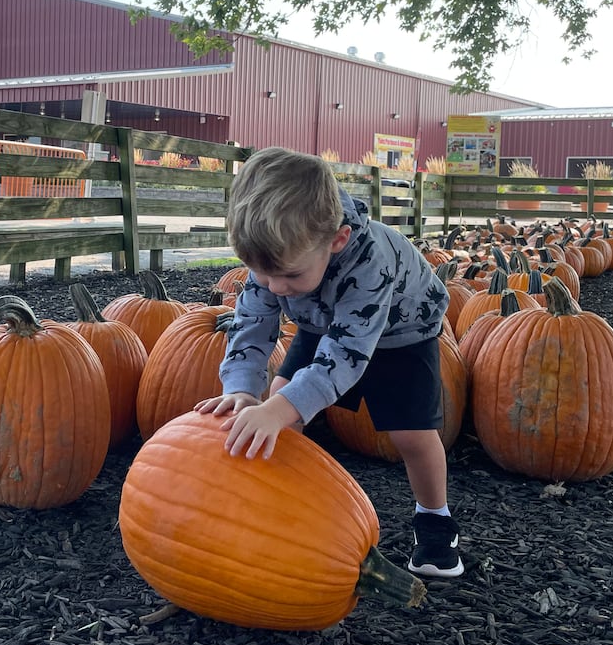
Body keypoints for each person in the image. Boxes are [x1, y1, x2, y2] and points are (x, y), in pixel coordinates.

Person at [195, 147, 463, 578]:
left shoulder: (370, 260)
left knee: (412, 435)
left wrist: (276, 409)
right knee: (280, 406)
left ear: (336, 240)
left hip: (402, 332)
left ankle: (435, 520)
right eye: (264, 276)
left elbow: (347, 355)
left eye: (291, 276)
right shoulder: (274, 257)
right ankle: (279, 513)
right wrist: (242, 390)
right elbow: (252, 324)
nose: (278, 288)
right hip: (323, 321)